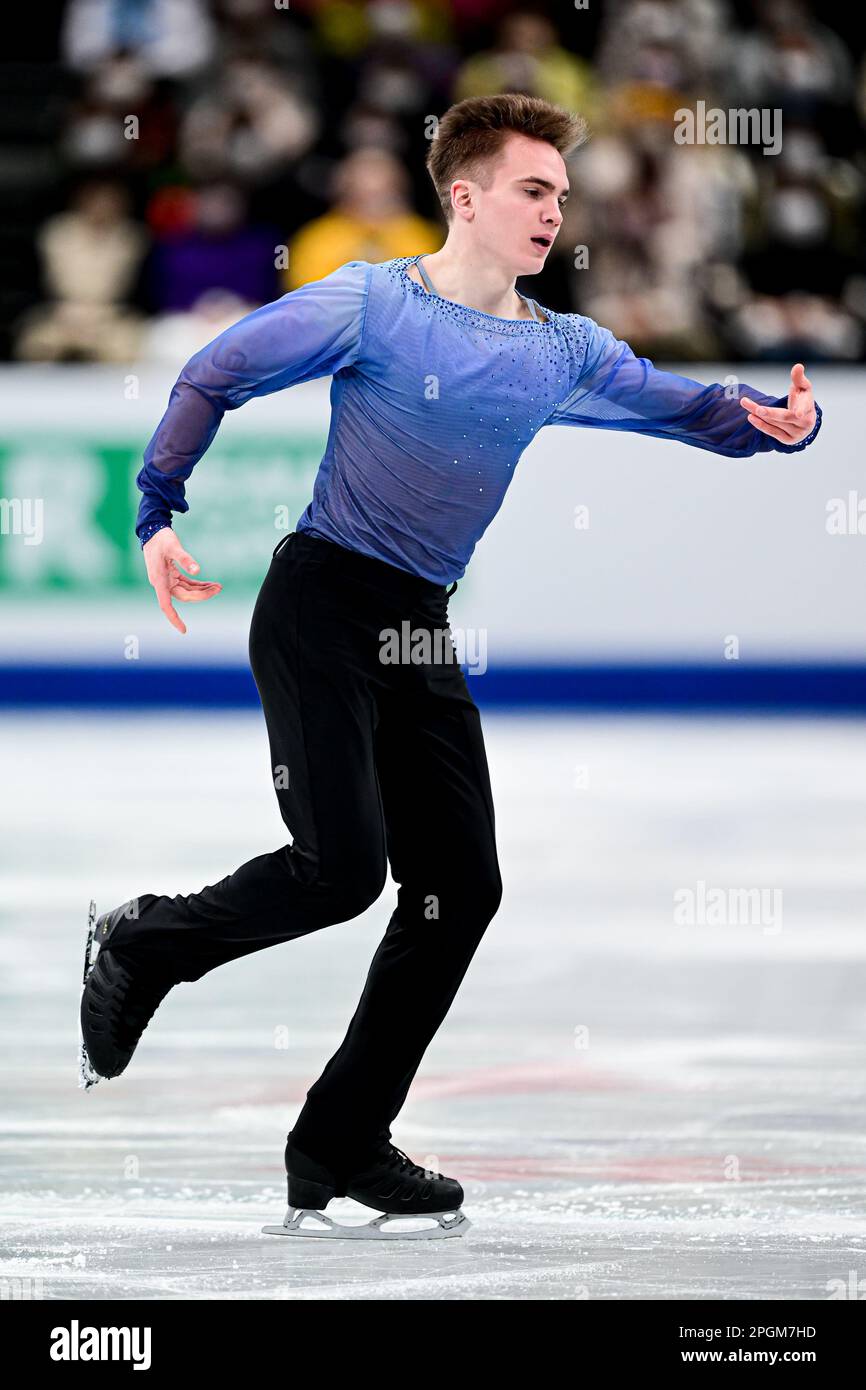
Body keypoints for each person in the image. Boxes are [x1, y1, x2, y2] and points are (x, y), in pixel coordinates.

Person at [79, 92, 822, 1241]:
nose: (553, 211)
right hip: (320, 602)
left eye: (561, 194)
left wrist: (774, 421)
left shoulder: (560, 350)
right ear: (463, 196)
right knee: (342, 870)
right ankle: (143, 942)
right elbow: (213, 370)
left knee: (458, 887)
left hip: (416, 626)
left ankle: (339, 1137)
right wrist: (155, 511)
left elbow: (690, 412)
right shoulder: (373, 305)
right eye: (533, 189)